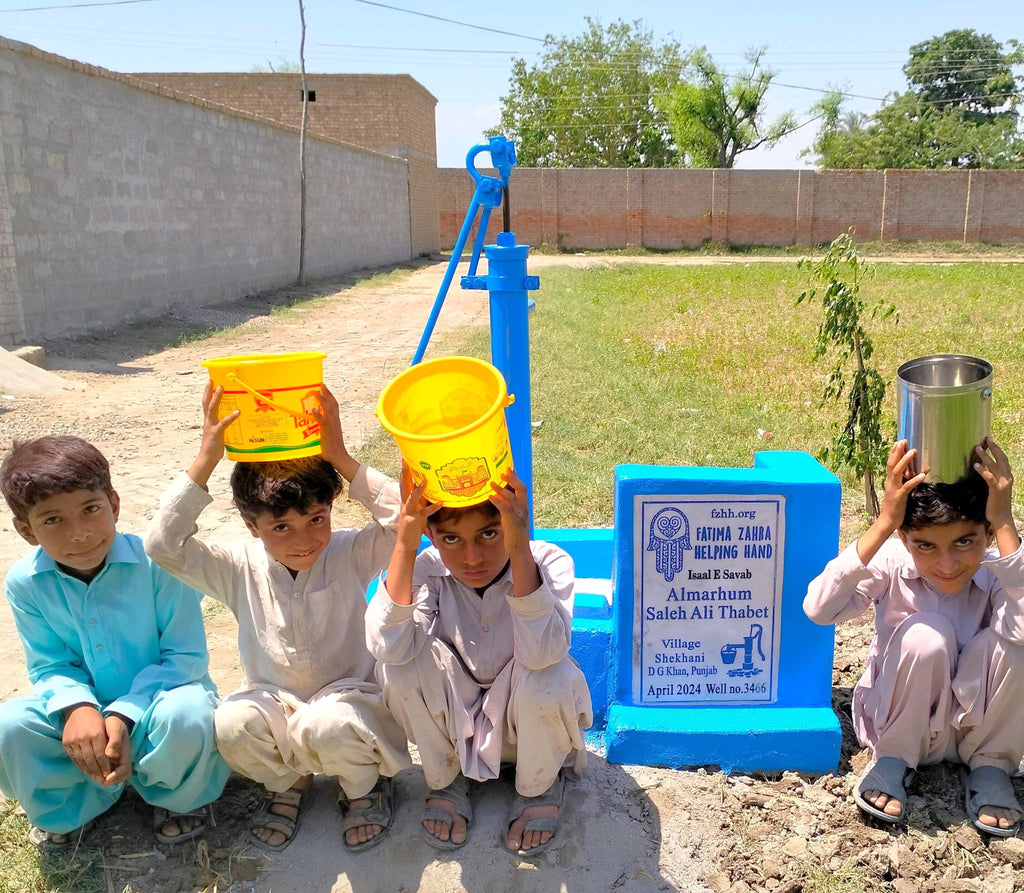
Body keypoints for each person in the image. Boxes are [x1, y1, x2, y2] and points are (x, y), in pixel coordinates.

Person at [144, 382, 409, 853]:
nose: (303, 539)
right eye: (280, 526)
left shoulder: (348, 551)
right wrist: (206, 458)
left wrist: (341, 458)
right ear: (252, 525)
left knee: (327, 725)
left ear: (330, 511)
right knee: (231, 723)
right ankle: (288, 783)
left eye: (316, 519)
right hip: (274, 701)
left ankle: (364, 788)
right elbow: (163, 546)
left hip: (348, 700)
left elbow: (406, 518)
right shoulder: (235, 566)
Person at [0, 436, 230, 848]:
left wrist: (123, 716)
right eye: (53, 520)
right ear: (25, 530)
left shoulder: (157, 563)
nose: (80, 534)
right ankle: (75, 804)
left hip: (159, 704)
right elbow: (49, 666)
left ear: (115, 505)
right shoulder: (24, 583)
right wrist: (77, 708)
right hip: (84, 720)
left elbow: (185, 657)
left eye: (91, 510)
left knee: (188, 712)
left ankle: (179, 799)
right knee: (11, 725)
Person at [365, 468, 593, 856]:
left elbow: (542, 653)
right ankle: (446, 780)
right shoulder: (427, 569)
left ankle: (539, 785)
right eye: (452, 539)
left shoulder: (549, 562)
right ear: (432, 535)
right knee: (398, 666)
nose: (472, 558)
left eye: (490, 533)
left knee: (550, 672)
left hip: (527, 733)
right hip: (457, 729)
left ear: (512, 523)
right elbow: (388, 646)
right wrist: (404, 543)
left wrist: (519, 551)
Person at [804, 436, 1024, 837]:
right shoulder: (891, 561)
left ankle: (992, 764)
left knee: (1018, 641)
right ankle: (895, 758)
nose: (947, 563)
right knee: (927, 634)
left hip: (974, 733)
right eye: (925, 545)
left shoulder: (1000, 569)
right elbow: (819, 609)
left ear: (987, 535)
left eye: (964, 542)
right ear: (905, 540)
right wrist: (885, 521)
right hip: (901, 725)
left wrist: (1005, 522)